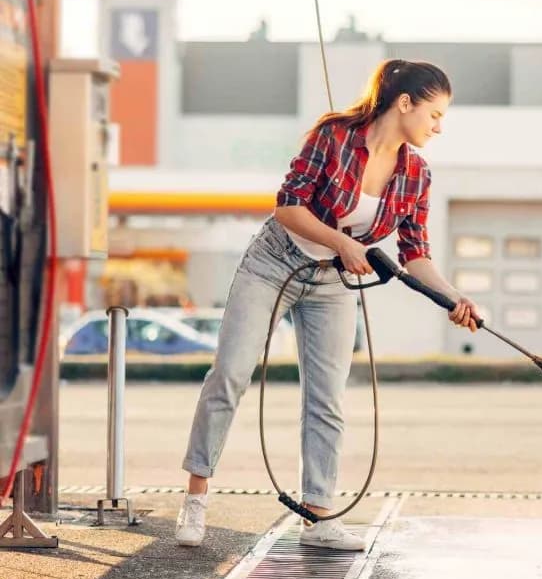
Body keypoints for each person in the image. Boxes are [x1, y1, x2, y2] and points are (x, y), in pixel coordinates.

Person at [174, 59, 480, 550]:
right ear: (405, 103)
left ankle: (318, 518)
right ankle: (195, 497)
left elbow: (415, 254)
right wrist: (342, 243)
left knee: (327, 398)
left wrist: (453, 297)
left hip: (333, 283)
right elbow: (287, 206)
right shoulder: (334, 137)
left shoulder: (416, 174)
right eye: (436, 115)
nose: (439, 127)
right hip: (273, 263)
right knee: (230, 374)